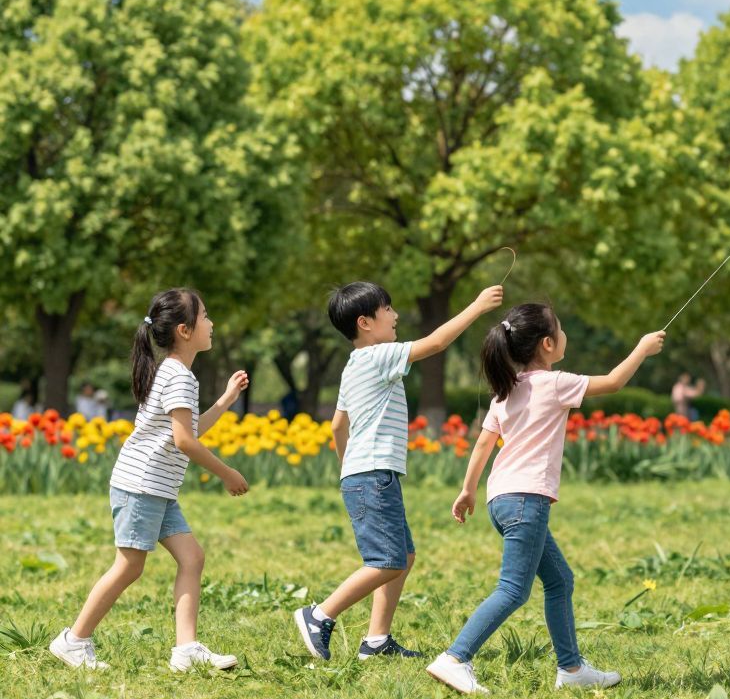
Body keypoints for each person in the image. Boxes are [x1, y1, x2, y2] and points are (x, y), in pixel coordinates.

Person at [426, 304, 665, 695]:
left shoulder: (506, 391)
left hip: (500, 500)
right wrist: (641, 348)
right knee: (513, 590)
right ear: (549, 344)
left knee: (559, 580)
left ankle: (571, 669)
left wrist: (467, 490)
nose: (565, 335)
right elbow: (614, 382)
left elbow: (484, 443)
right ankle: (455, 658)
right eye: (562, 328)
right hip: (525, 500)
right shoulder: (554, 384)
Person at [293, 280, 503, 662]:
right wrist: (476, 307)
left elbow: (338, 425)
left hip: (366, 473)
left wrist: (348, 468)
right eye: (388, 309)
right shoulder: (379, 355)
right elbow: (436, 343)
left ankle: (376, 640)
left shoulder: (354, 365)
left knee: (403, 556)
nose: (396, 315)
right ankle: (319, 614)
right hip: (372, 475)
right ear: (365, 323)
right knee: (387, 561)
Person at [50, 288, 251, 672]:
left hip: (156, 488)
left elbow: (189, 430)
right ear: (185, 330)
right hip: (142, 486)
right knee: (129, 566)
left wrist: (225, 400)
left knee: (192, 557)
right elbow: (184, 441)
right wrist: (227, 473)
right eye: (205, 316)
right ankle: (74, 640)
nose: (211, 323)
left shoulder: (176, 374)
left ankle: (186, 649)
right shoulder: (178, 376)